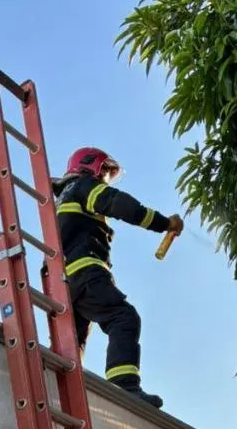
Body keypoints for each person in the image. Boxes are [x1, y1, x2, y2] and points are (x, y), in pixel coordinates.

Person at [50, 146, 184, 409]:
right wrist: (164, 223)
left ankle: (61, 396)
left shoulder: (61, 200)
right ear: (91, 167)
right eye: (105, 173)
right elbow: (120, 205)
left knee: (71, 348)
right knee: (123, 318)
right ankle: (124, 386)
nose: (106, 179)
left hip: (61, 283)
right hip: (86, 272)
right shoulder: (84, 187)